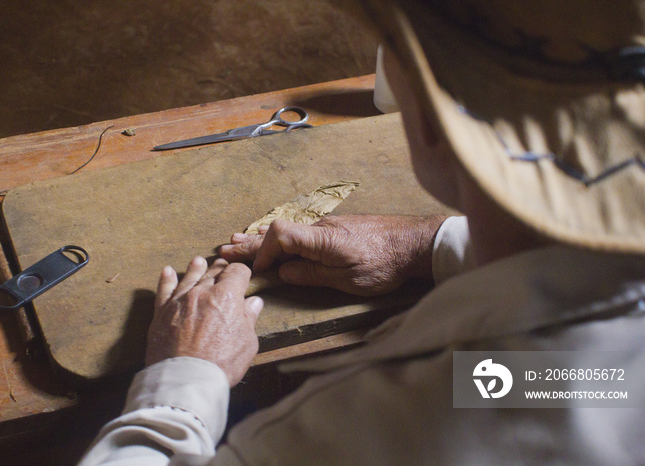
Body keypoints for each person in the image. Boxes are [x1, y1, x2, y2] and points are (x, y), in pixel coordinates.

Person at [79, 0, 645, 464]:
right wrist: (428, 247)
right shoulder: (581, 379)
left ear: (428, 121)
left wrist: (181, 382)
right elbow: (582, 384)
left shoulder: (361, 431)